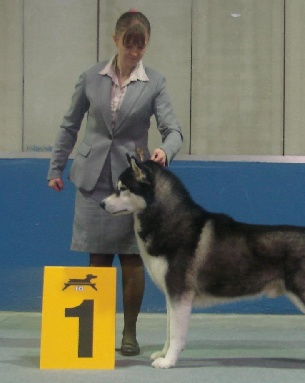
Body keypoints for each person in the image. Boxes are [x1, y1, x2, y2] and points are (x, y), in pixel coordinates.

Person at [47, 10, 183, 356]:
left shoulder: (155, 83)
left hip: (131, 185)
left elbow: (174, 131)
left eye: (142, 46)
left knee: (131, 261)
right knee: (97, 260)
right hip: (91, 180)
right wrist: (55, 168)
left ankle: (130, 334)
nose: (135, 52)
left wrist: (164, 152)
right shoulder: (91, 76)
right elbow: (69, 125)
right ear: (116, 40)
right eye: (129, 44)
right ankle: (94, 335)